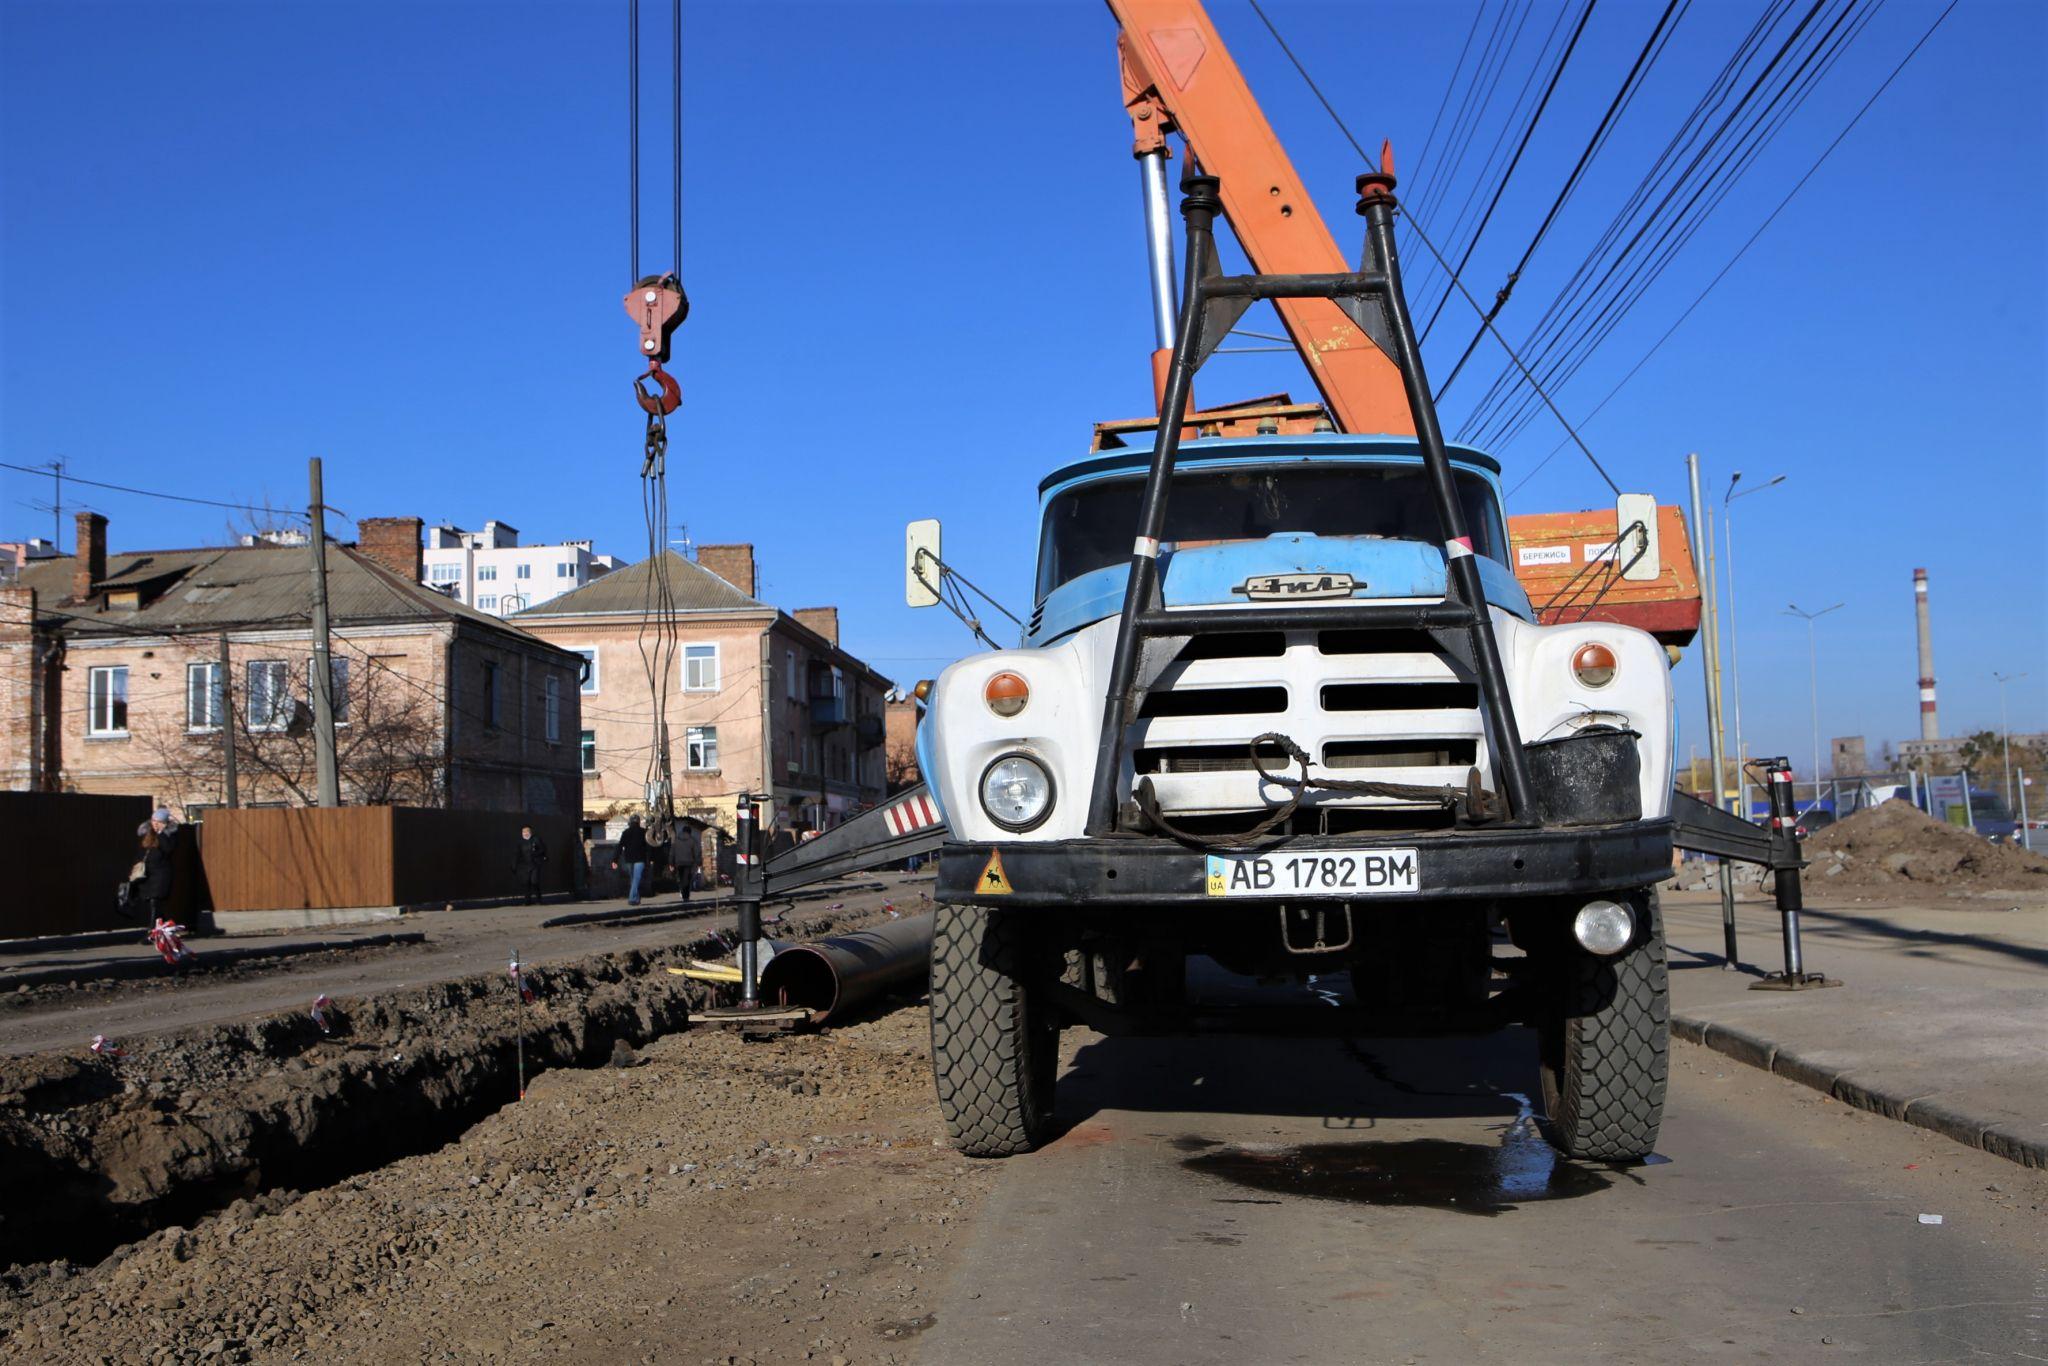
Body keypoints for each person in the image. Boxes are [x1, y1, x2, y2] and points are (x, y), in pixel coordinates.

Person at [134, 825, 175, 923]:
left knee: (154, 902)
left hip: (157, 878)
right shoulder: (145, 845)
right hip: (148, 877)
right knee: (153, 904)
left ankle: (153, 928)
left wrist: (161, 833)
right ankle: (163, 925)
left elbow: (168, 849)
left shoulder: (161, 841)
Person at [612, 814, 651, 907]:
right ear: (638, 822)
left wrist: (615, 860)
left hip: (628, 859)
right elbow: (648, 848)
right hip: (640, 859)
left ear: (630, 822)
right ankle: (633, 898)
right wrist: (649, 860)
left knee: (633, 879)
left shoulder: (626, 832)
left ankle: (635, 898)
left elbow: (620, 846)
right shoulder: (644, 832)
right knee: (636, 879)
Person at [513, 825, 548, 905]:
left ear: (531, 832)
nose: (525, 833)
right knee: (526, 883)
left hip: (535, 864)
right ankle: (527, 901)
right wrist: (514, 864)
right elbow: (517, 854)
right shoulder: (520, 842)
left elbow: (543, 849)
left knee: (534, 882)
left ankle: (539, 899)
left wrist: (535, 853)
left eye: (527, 831)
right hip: (525, 865)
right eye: (523, 832)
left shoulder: (536, 840)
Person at [672, 825, 702, 904]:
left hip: (678, 862)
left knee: (681, 878)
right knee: (687, 880)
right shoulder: (692, 840)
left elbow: (672, 852)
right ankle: (686, 896)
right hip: (689, 862)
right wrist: (699, 863)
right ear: (689, 832)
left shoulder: (676, 840)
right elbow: (697, 852)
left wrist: (671, 863)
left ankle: (682, 892)